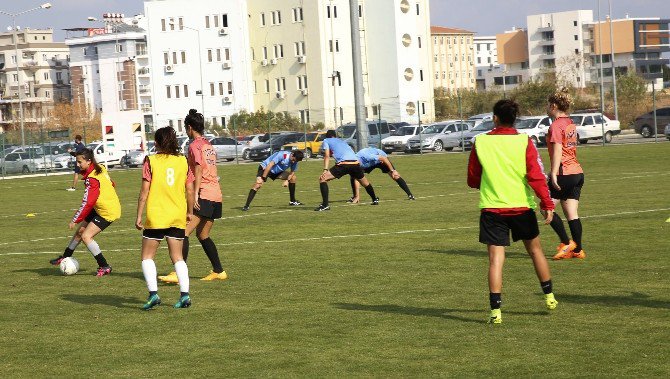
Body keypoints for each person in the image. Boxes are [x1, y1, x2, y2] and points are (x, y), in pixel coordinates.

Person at [467, 99, 558, 324]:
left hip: (492, 208)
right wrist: (547, 202)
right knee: (535, 251)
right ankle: (549, 296)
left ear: (494, 118)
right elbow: (536, 175)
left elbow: (472, 178)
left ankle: (495, 312)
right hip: (521, 207)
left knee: (496, 260)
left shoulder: (480, 142)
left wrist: (489, 182)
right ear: (514, 118)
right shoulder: (524, 141)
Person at [158, 110, 228, 284]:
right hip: (216, 194)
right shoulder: (209, 145)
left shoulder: (194, 145)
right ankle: (219, 271)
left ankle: (178, 273)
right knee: (203, 234)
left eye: (185, 128)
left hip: (204, 193)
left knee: (183, 232)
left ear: (190, 128)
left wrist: (195, 194)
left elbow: (197, 168)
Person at [136, 126, 195, 310]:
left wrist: (139, 215)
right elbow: (190, 189)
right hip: (177, 214)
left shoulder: (151, 161)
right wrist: (189, 211)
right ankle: (185, 295)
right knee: (178, 257)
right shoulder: (183, 161)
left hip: (157, 215)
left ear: (159, 142)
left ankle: (153, 294)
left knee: (147, 257)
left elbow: (144, 192)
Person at [50, 148, 120, 276]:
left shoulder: (92, 179)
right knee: (80, 232)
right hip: (101, 206)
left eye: (79, 162)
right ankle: (65, 257)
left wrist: (74, 220)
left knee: (86, 237)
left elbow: (87, 203)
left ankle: (104, 266)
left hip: (107, 211)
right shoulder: (100, 168)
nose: (77, 164)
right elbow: (112, 183)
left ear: (89, 161)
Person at [546, 90, 586, 260]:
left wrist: (553, 174)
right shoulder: (570, 123)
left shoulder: (556, 125)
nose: (547, 108)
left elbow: (557, 150)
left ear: (554, 106)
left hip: (564, 173)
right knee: (571, 213)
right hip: (577, 172)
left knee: (545, 207)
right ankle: (578, 251)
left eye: (548, 105)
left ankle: (566, 243)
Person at [315, 130, 379, 211]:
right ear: (335, 136)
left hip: (344, 164)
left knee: (322, 179)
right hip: (355, 163)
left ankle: (325, 205)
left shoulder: (326, 140)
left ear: (327, 136)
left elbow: (327, 156)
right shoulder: (342, 141)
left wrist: (325, 170)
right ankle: (375, 199)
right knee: (365, 183)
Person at [348, 147, 415, 203]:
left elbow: (384, 159)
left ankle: (410, 195)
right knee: (354, 176)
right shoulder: (354, 161)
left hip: (381, 160)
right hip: (370, 164)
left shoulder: (366, 156)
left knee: (395, 176)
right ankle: (356, 197)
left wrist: (393, 171)